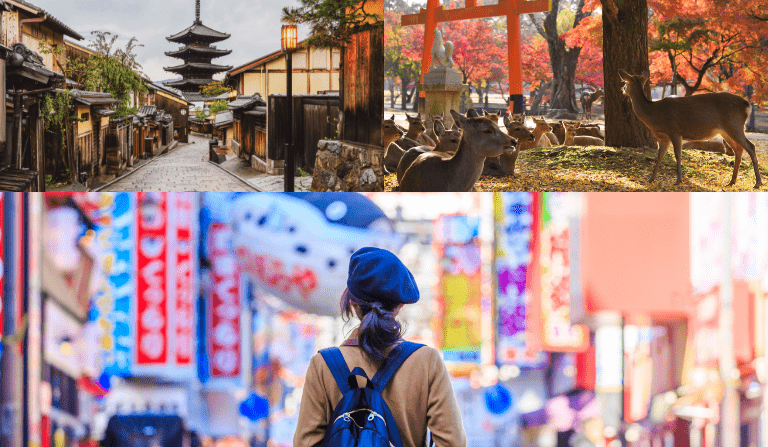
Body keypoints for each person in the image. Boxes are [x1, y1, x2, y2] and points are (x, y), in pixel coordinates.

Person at [293, 247, 467, 447]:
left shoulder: (322, 366)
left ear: (352, 304)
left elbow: (305, 444)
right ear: (400, 305)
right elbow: (453, 442)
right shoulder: (426, 362)